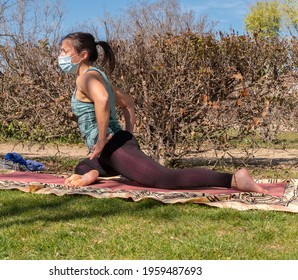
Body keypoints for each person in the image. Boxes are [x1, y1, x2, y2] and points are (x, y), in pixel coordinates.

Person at [58, 32, 267, 194]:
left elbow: (103, 100)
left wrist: (103, 140)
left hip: (112, 145)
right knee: (82, 166)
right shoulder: (99, 76)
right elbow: (127, 102)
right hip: (112, 146)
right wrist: (128, 134)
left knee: (163, 179)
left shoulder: (85, 78)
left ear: (83, 55)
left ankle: (234, 179)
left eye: (65, 52)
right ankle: (94, 170)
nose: (61, 56)